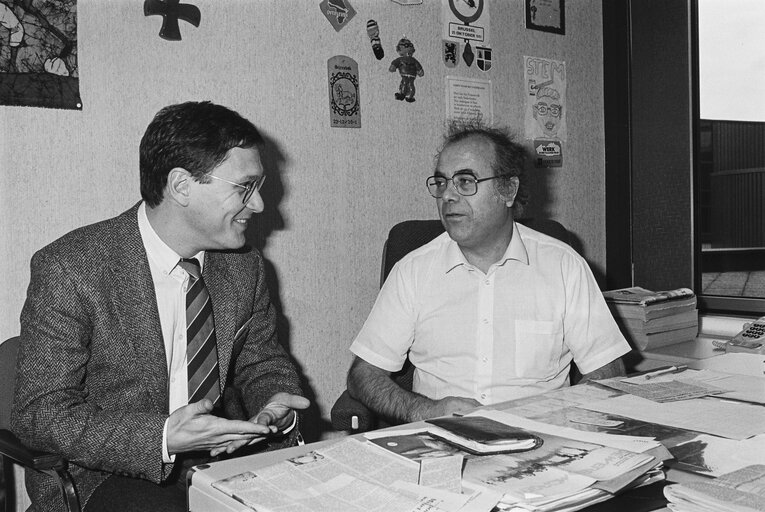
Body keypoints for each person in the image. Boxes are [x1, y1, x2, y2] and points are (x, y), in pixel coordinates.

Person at [11, 101, 309, 512]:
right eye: (245, 188)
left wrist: (274, 405)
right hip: (105, 475)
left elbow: (263, 362)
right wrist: (163, 438)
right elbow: (40, 413)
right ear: (182, 186)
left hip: (221, 460)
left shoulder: (244, 267)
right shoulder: (73, 268)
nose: (259, 206)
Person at [347, 122, 630, 424]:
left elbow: (607, 373)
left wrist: (566, 427)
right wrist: (425, 410)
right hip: (441, 443)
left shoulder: (563, 267)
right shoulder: (413, 272)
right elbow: (363, 375)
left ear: (508, 189)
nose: (448, 196)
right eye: (442, 183)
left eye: (465, 181)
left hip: (541, 443)